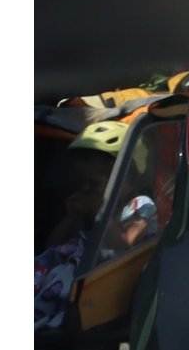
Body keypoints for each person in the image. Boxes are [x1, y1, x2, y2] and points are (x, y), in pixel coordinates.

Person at [34, 122, 126, 330]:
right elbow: (54, 248)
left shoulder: (138, 206)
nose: (85, 189)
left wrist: (100, 211)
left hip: (99, 282)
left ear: (124, 177)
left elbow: (124, 243)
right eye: (81, 182)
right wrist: (71, 216)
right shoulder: (86, 209)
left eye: (93, 183)